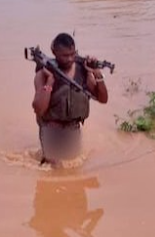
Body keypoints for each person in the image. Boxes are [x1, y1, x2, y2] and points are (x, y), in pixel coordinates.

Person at [31, 33, 109, 166]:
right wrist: (50, 82)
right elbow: (39, 108)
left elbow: (103, 99)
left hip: (73, 129)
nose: (70, 59)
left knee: (73, 165)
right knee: (54, 167)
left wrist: (97, 74)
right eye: (65, 55)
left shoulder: (83, 72)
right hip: (50, 128)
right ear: (54, 52)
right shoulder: (43, 74)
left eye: (72, 54)